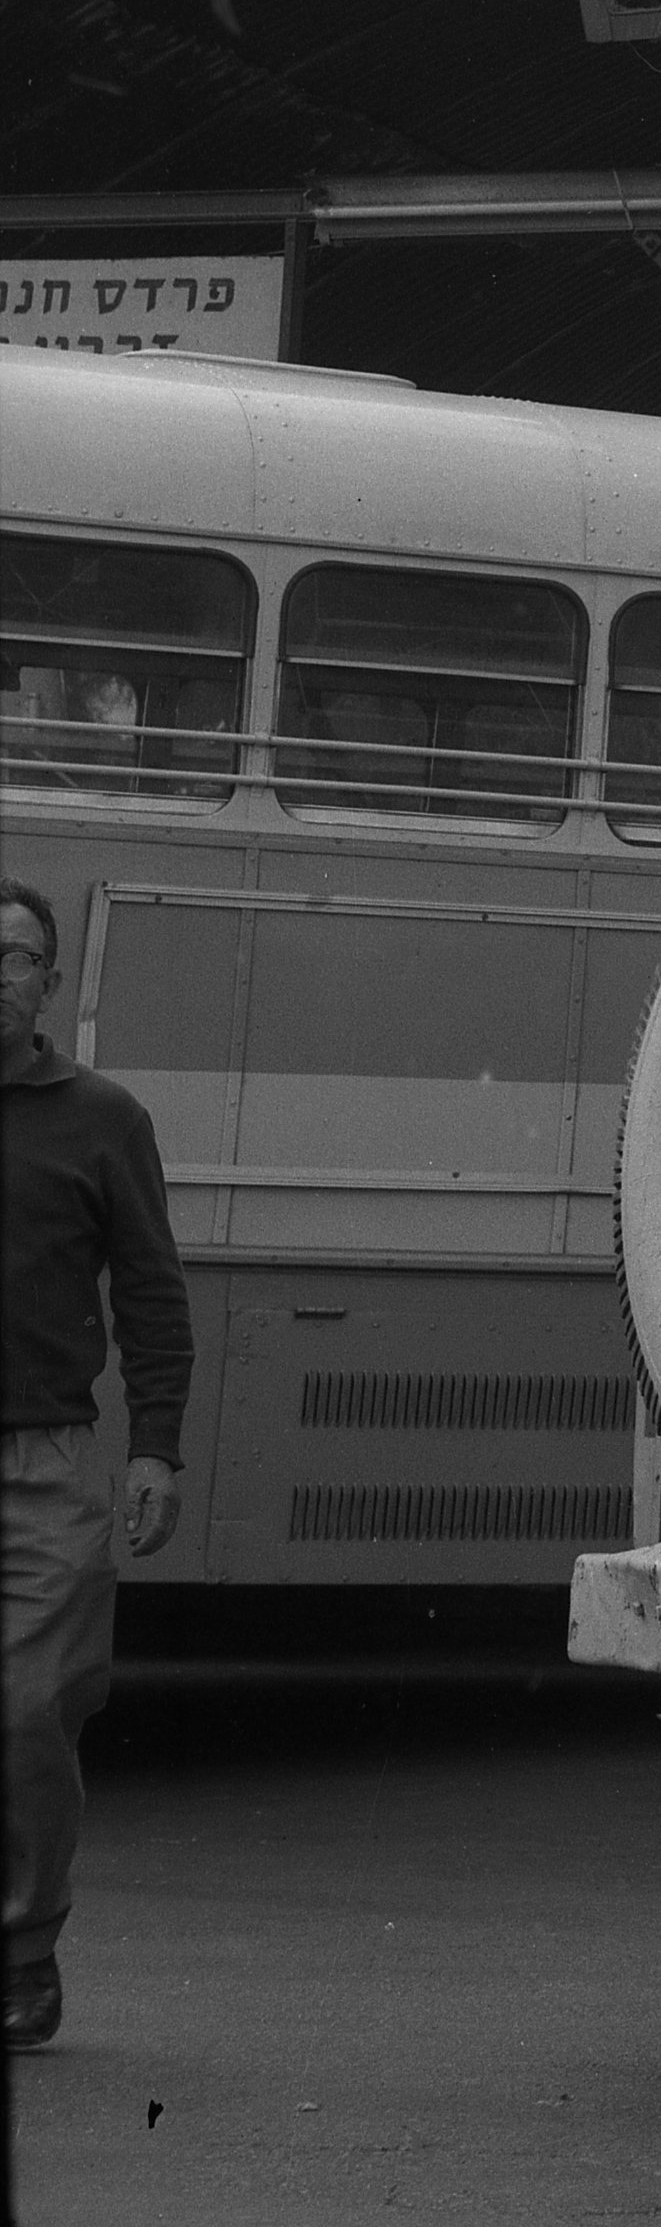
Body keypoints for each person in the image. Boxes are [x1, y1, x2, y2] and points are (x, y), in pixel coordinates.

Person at [3, 872, 194, 2055]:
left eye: (11, 957)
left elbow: (154, 1294)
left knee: (26, 1709)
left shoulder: (103, 1118)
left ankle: (24, 1954)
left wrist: (157, 1450)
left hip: (44, 1467)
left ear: (49, 983)